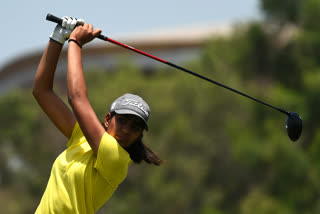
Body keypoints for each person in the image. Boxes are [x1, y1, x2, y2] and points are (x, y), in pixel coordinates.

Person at [33, 16, 162, 214]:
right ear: (108, 119)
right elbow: (42, 91)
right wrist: (57, 39)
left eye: (135, 127)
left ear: (139, 135)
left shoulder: (116, 159)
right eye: (123, 120)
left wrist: (75, 42)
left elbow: (77, 98)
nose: (127, 129)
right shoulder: (81, 138)